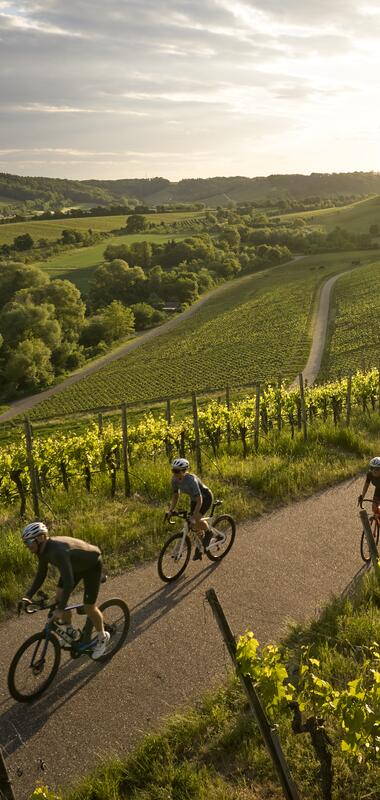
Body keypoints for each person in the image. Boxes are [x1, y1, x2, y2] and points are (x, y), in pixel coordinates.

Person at [20, 521, 110, 659]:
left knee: (89, 607)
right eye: (25, 543)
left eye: (28, 542)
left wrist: (61, 609)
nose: (27, 546)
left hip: (92, 565)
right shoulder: (41, 550)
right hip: (74, 566)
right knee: (59, 598)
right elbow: (41, 575)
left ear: (41, 538)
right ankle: (70, 630)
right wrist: (27, 596)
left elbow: (69, 583)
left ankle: (103, 637)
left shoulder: (57, 552)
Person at [168, 457, 213, 560]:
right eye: (172, 470)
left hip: (205, 498)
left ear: (184, 471)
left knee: (195, 520)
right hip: (194, 500)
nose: (174, 473)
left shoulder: (191, 480)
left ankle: (209, 532)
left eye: (176, 471)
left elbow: (200, 499)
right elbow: (175, 496)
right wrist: (171, 510)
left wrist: (194, 516)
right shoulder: (174, 479)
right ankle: (201, 546)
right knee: (192, 524)